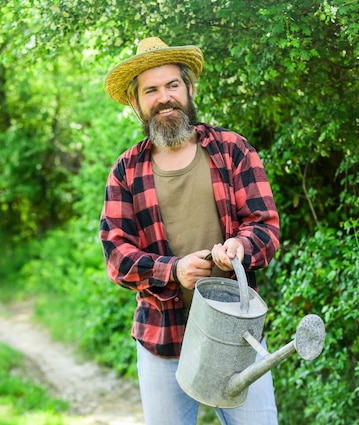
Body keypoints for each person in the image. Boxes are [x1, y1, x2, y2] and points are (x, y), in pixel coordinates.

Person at [99, 36, 280, 425]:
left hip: (236, 334)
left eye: (172, 85)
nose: (164, 97)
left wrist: (240, 246)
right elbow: (116, 255)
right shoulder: (126, 170)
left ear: (190, 89)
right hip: (162, 336)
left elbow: (265, 227)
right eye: (151, 90)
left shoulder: (233, 150)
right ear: (136, 103)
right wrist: (172, 270)